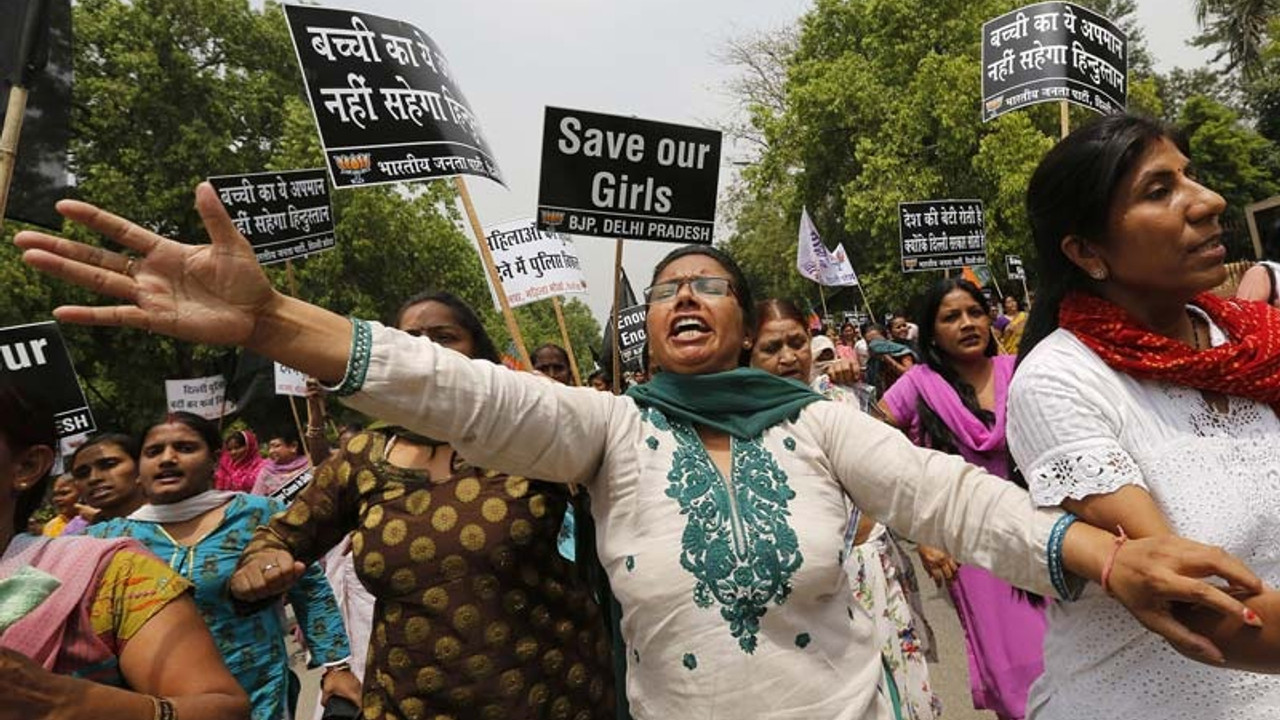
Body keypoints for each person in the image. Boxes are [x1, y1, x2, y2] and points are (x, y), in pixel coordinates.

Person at [16, 184, 1272, 718]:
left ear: (739, 320)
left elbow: (953, 500)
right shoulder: (604, 430)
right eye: (664, 286)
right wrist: (273, 320)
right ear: (646, 328)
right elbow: (454, 389)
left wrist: (1101, 562)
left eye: (708, 286)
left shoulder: (819, 422)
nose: (682, 296)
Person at [231, 290, 618, 720]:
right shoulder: (362, 456)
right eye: (409, 338)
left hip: (551, 697)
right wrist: (261, 564)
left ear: (479, 355)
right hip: (409, 703)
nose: (423, 350)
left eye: (443, 337)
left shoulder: (531, 438)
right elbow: (279, 538)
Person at [1007, 113, 1280, 718]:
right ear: (1087, 251)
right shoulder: (1060, 382)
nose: (1210, 201)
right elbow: (1193, 603)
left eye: (1192, 177)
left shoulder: (1258, 343)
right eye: (1160, 191)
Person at [0, 380, 251, 720]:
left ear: (27, 467)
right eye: (83, 472)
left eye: (185, 448)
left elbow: (224, 710)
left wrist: (65, 702)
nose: (168, 460)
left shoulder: (108, 573)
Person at [85, 412, 359, 720]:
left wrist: (336, 667)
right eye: (153, 452)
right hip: (160, 704)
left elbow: (310, 589)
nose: (167, 459)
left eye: (185, 448)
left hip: (257, 691)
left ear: (215, 459)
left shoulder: (260, 515)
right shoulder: (104, 540)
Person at [752, 299, 940, 720]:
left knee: (904, 700)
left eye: (796, 342)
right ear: (747, 353)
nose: (787, 357)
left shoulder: (843, 400)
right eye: (770, 348)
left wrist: (927, 536)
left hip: (874, 568)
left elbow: (894, 472)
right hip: (809, 595)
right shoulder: (743, 429)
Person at [878, 278, 1047, 720]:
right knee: (1015, 666)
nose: (967, 323)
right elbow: (878, 453)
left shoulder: (1021, 369)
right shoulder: (918, 384)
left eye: (974, 312)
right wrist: (924, 535)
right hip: (971, 545)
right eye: (951, 317)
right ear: (931, 332)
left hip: (1043, 530)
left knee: (1073, 648)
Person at [68, 433, 148, 524]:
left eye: (109, 465)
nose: (93, 478)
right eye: (82, 474)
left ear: (140, 466)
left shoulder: (165, 524)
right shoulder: (84, 536)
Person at [250, 429, 309, 497]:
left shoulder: (308, 465)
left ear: (293, 446)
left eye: (276, 446)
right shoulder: (267, 472)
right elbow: (256, 498)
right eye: (269, 447)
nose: (271, 451)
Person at [863, 324, 916, 396]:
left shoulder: (901, 351)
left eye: (876, 340)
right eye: (869, 342)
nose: (872, 345)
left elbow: (909, 374)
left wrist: (887, 358)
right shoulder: (872, 360)